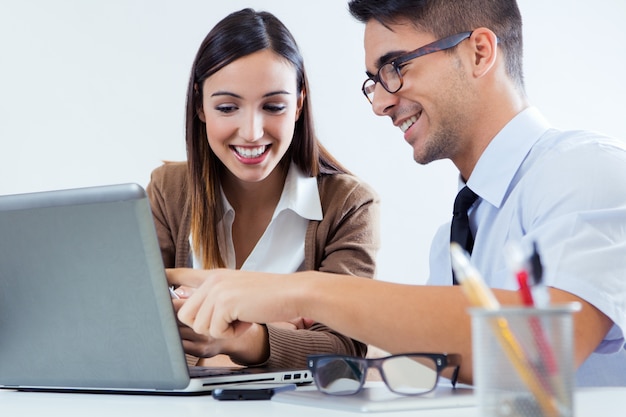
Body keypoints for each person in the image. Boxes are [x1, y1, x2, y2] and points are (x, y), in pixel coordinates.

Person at [172, 0, 626, 385]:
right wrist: (266, 337)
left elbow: (539, 349)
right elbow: (439, 372)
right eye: (375, 79)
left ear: (479, 52)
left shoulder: (584, 170)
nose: (380, 102)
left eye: (395, 67)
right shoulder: (455, 235)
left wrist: (300, 292)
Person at [146, 8, 380, 369]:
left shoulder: (348, 205)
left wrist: (246, 338)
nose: (252, 131)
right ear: (200, 107)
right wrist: (282, 327)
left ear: (299, 104)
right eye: (227, 107)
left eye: (273, 106)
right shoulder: (168, 190)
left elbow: (344, 352)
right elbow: (138, 318)